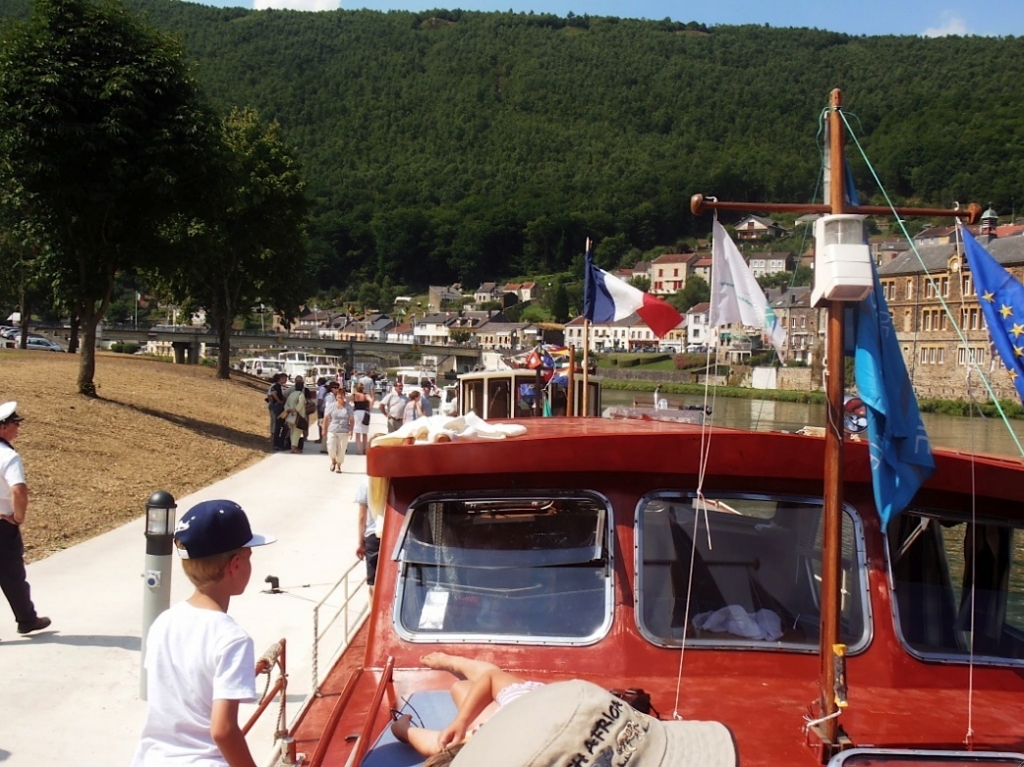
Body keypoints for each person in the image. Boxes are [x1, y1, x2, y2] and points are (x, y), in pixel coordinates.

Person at [132, 499, 275, 767]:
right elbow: (223, 730)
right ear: (235, 565)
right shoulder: (232, 639)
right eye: (248, 557)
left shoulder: (164, 622)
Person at [0, 402, 51, 638]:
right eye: (14, 424)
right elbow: (18, 490)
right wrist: (18, 517)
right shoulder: (8, 456)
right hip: (3, 524)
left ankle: (27, 618)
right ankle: (26, 619)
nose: (18, 429)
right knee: (12, 574)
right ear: (3, 428)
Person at [354, 475, 378, 598]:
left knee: (373, 584)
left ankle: (374, 614)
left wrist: (360, 543)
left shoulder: (366, 481)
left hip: (374, 536)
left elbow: (362, 516)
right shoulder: (395, 477)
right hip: (395, 535)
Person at [322, 383, 354, 473]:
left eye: (342, 396)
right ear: (336, 397)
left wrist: (351, 430)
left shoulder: (348, 407)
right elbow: (326, 418)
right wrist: (324, 429)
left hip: (344, 431)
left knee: (342, 450)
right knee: (331, 447)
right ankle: (333, 461)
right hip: (332, 430)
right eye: (338, 396)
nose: (340, 398)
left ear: (344, 397)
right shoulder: (331, 406)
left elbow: (352, 419)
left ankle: (339, 466)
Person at [283, 376, 308, 454]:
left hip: (290, 416)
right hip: (298, 417)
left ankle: (293, 446)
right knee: (297, 433)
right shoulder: (301, 395)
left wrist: (289, 410)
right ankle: (294, 448)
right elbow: (299, 406)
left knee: (292, 431)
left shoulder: (292, 394)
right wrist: (294, 410)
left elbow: (286, 405)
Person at [349, 382, 373, 455]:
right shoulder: (366, 395)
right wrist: (369, 408)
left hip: (356, 413)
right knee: (364, 433)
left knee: (357, 433)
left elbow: (347, 401)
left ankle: (359, 450)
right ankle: (365, 449)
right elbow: (371, 400)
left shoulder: (354, 395)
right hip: (364, 413)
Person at [268, 373, 288, 451]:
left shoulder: (280, 387)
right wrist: (279, 401)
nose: (286, 381)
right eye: (285, 379)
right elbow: (273, 393)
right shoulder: (276, 386)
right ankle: (277, 444)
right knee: (278, 425)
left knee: (280, 425)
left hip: (279, 407)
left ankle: (279, 443)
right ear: (281, 379)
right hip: (278, 407)